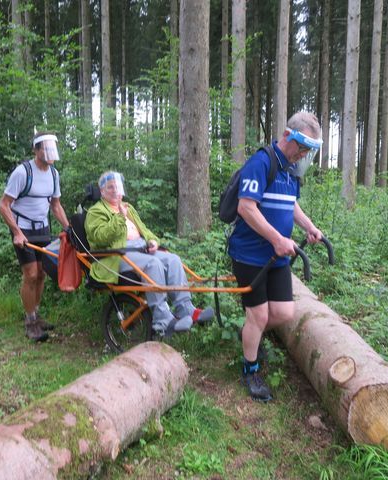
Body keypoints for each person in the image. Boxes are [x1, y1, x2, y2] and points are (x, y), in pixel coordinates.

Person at [229, 111, 324, 401]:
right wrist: (277, 239)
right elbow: (246, 208)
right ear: (287, 136)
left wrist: (309, 227)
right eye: (303, 147)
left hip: (278, 256)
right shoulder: (262, 162)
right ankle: (250, 369)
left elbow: (290, 204)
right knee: (258, 315)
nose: (304, 155)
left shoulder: (291, 172)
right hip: (250, 255)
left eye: (310, 150)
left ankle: (250, 335)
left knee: (283, 313)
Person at [84, 171, 214, 337]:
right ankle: (162, 319)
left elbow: (144, 230)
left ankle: (186, 309)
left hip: (141, 250)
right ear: (102, 191)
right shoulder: (96, 211)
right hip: (115, 256)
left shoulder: (128, 208)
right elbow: (100, 238)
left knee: (173, 259)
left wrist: (152, 241)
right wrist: (119, 218)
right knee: (153, 264)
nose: (115, 190)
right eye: (110, 187)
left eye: (117, 186)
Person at [0, 132, 70, 342]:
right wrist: (17, 232)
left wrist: (68, 228)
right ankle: (30, 322)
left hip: (42, 229)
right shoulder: (23, 172)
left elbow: (55, 205)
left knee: (42, 274)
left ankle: (36, 315)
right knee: (30, 274)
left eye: (52, 149)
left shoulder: (54, 174)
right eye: (45, 149)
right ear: (36, 150)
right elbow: (4, 205)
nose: (49, 153)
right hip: (22, 228)